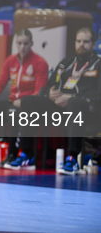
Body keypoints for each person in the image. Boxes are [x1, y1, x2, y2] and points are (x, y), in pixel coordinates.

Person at [10, 28, 100, 174]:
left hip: (86, 110)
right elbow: (48, 88)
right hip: (59, 107)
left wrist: (72, 98)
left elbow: (98, 95)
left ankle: (72, 158)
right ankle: (27, 154)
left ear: (93, 43)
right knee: (28, 101)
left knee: (74, 104)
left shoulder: (99, 64)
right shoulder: (66, 63)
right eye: (78, 41)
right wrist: (49, 95)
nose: (81, 45)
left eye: (86, 41)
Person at [0, 29, 48, 167]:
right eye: (19, 43)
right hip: (11, 102)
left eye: (25, 43)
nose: (22, 47)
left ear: (31, 43)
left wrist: (25, 100)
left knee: (13, 112)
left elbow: (39, 91)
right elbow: (0, 82)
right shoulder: (11, 60)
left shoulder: (40, 63)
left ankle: (12, 154)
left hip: (27, 106)